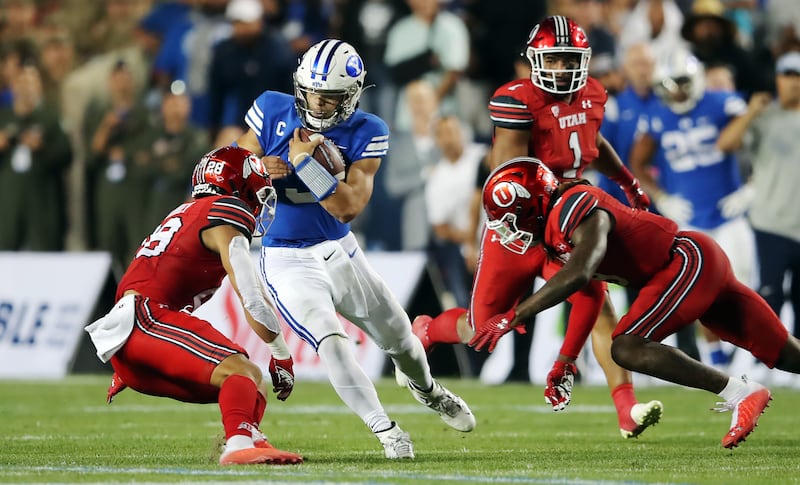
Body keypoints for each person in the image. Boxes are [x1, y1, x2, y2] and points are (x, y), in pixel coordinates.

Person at [412, 16, 662, 438]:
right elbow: (509, 178)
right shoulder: (517, 101)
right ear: (534, 60)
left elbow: (591, 142)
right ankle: (428, 329)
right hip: (518, 227)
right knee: (479, 328)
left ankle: (626, 409)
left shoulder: (593, 94)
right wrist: (556, 204)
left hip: (566, 221)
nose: (562, 68)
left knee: (599, 304)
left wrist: (627, 181)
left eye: (569, 60)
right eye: (554, 60)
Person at [234, 39, 475, 460]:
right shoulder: (272, 109)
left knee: (401, 340)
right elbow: (227, 167)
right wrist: (253, 169)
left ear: (351, 95)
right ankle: (386, 430)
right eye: (313, 93)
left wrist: (303, 163)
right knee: (331, 341)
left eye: (330, 97)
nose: (318, 104)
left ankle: (428, 390)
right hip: (286, 256)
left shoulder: (368, 129)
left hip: (338, 248)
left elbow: (348, 207)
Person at [471, 156, 800, 449]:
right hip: (690, 267)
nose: (509, 232)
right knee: (785, 353)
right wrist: (565, 361)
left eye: (511, 220)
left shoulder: (575, 203)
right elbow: (589, 296)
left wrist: (514, 315)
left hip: (684, 263)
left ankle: (739, 392)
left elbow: (579, 273)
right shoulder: (556, 229)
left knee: (627, 346)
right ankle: (742, 391)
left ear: (531, 204)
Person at [84, 145, 303, 465]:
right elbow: (252, 296)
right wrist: (281, 354)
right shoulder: (226, 211)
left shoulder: (187, 211)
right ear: (238, 187)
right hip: (145, 321)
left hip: (134, 336)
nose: (258, 204)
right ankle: (238, 445)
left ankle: (251, 437)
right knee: (239, 370)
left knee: (253, 380)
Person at [629, 49, 758, 367]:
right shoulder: (656, 114)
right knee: (702, 291)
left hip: (730, 212)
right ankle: (716, 360)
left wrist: (753, 186)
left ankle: (749, 357)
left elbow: (759, 144)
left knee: (744, 287)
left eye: (682, 82)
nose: (676, 91)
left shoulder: (723, 103)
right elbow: (637, 163)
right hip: (690, 216)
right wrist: (662, 197)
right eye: (669, 85)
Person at [716, 51, 800, 341]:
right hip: (770, 223)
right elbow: (726, 144)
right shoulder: (764, 117)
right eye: (788, 75)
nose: (794, 82)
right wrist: (751, 112)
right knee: (768, 297)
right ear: (778, 79)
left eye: (798, 76)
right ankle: (769, 354)